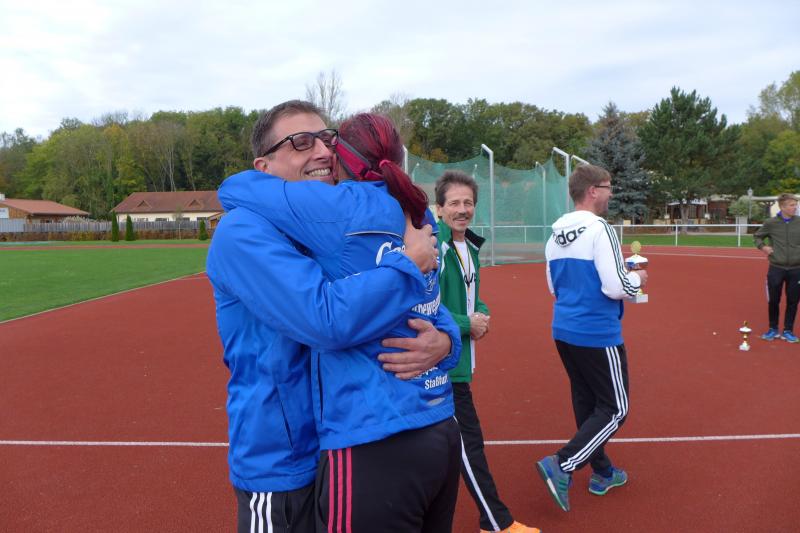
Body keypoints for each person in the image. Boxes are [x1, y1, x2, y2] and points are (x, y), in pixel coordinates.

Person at [207, 101, 458, 533]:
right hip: (285, 462)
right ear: (263, 167)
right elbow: (323, 320)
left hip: (345, 442)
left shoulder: (335, 230)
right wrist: (406, 266)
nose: (324, 151)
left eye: (328, 139)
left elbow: (423, 303)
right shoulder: (243, 232)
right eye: (302, 143)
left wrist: (446, 341)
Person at [536, 164, 647, 512]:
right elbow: (615, 286)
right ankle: (562, 464)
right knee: (615, 408)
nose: (611, 193)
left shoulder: (554, 236)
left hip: (564, 329)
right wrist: (637, 279)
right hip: (597, 332)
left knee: (587, 403)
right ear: (593, 191)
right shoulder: (601, 229)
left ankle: (602, 472)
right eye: (608, 187)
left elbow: (553, 286)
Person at [434, 170, 540, 533]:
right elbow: (425, 305)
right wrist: (467, 324)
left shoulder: (470, 247)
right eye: (454, 203)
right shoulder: (436, 247)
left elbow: (472, 297)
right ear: (439, 208)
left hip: (459, 360)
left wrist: (482, 314)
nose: (462, 209)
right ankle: (496, 523)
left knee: (442, 447)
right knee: (469, 445)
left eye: (468, 203)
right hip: (442, 366)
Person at [754, 192, 800, 343]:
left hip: (796, 269)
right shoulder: (771, 223)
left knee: (793, 301)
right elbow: (757, 236)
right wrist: (763, 247)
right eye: (792, 205)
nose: (795, 207)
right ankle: (773, 329)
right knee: (774, 300)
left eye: (795, 205)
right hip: (776, 268)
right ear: (782, 207)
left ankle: (788, 330)